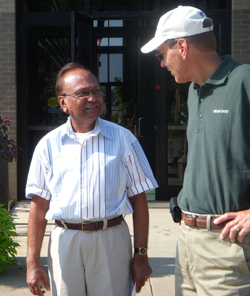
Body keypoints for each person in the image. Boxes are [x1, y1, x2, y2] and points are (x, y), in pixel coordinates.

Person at [141, 5, 250, 296]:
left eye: (162, 54)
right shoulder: (194, 90)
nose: (162, 63)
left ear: (183, 46)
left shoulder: (244, 82)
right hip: (188, 239)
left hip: (228, 247)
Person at [25, 63, 158, 296]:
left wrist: (141, 254)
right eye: (82, 93)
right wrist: (32, 263)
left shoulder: (123, 139)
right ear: (63, 102)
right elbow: (39, 207)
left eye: (96, 91)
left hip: (111, 240)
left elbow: (139, 201)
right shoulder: (48, 145)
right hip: (65, 242)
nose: (92, 98)